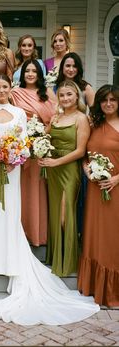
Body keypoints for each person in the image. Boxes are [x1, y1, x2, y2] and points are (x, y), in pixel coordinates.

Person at [0, 74, 99, 326]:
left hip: (12, 169)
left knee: (9, 212)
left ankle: (11, 256)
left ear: (11, 89)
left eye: (5, 86)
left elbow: (24, 143)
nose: (0, 90)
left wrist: (10, 160)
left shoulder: (19, 113)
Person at [38, 80, 90, 277]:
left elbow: (80, 151)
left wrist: (55, 162)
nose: (65, 98)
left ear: (77, 96)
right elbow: (44, 138)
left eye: (69, 94)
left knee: (64, 213)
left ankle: (67, 262)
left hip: (68, 170)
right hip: (52, 171)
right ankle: (55, 258)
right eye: (62, 95)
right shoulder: (55, 117)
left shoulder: (81, 119)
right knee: (54, 212)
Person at [78, 84, 119, 307]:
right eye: (104, 100)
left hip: (115, 190)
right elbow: (85, 154)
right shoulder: (94, 124)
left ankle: (113, 290)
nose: (108, 104)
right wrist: (88, 171)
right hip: (95, 189)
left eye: (113, 100)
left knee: (113, 239)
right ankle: (94, 286)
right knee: (95, 236)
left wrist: (115, 179)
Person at [11, 59, 56, 246]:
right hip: (21, 148)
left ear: (39, 74)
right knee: (21, 190)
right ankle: (21, 233)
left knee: (38, 189)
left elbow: (54, 121)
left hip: (40, 148)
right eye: (27, 71)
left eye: (34, 71)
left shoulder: (48, 95)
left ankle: (38, 234)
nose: (30, 74)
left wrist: (40, 138)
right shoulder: (15, 93)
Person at [55, 52, 95, 237]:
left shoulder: (86, 88)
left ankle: (76, 235)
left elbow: (94, 115)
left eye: (74, 66)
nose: (70, 69)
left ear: (78, 68)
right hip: (60, 137)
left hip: (78, 137)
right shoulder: (55, 87)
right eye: (67, 66)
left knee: (75, 199)